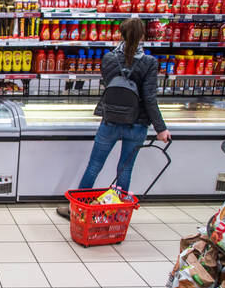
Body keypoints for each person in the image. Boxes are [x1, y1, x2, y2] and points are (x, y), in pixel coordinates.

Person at [57, 18, 171, 219]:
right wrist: (161, 128)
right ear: (143, 36)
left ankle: (78, 209)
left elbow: (110, 84)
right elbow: (150, 98)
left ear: (121, 34)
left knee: (94, 166)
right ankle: (116, 212)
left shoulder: (109, 58)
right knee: (124, 170)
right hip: (137, 124)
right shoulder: (149, 62)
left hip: (110, 120)